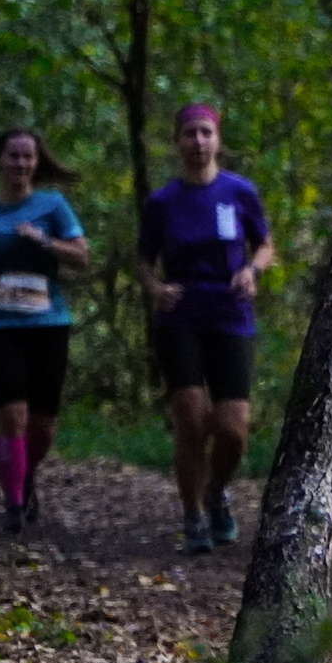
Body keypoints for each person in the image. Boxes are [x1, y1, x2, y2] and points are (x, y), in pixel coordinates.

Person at [138, 104, 274, 555]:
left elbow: (265, 245)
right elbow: (142, 260)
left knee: (234, 429)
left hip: (230, 313)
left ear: (218, 139)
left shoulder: (240, 192)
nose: (198, 142)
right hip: (180, 316)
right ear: (177, 141)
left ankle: (216, 492)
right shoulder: (162, 202)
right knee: (191, 418)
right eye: (189, 134)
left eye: (206, 133)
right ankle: (192, 513)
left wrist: (252, 270)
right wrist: (156, 287)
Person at [0, 129, 90, 534]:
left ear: (37, 163)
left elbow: (82, 257)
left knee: (42, 425)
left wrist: (43, 240)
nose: (20, 164)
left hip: (47, 322)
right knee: (12, 415)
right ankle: (14, 503)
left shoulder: (52, 205)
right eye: (13, 156)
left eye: (28, 157)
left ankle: (25, 474)